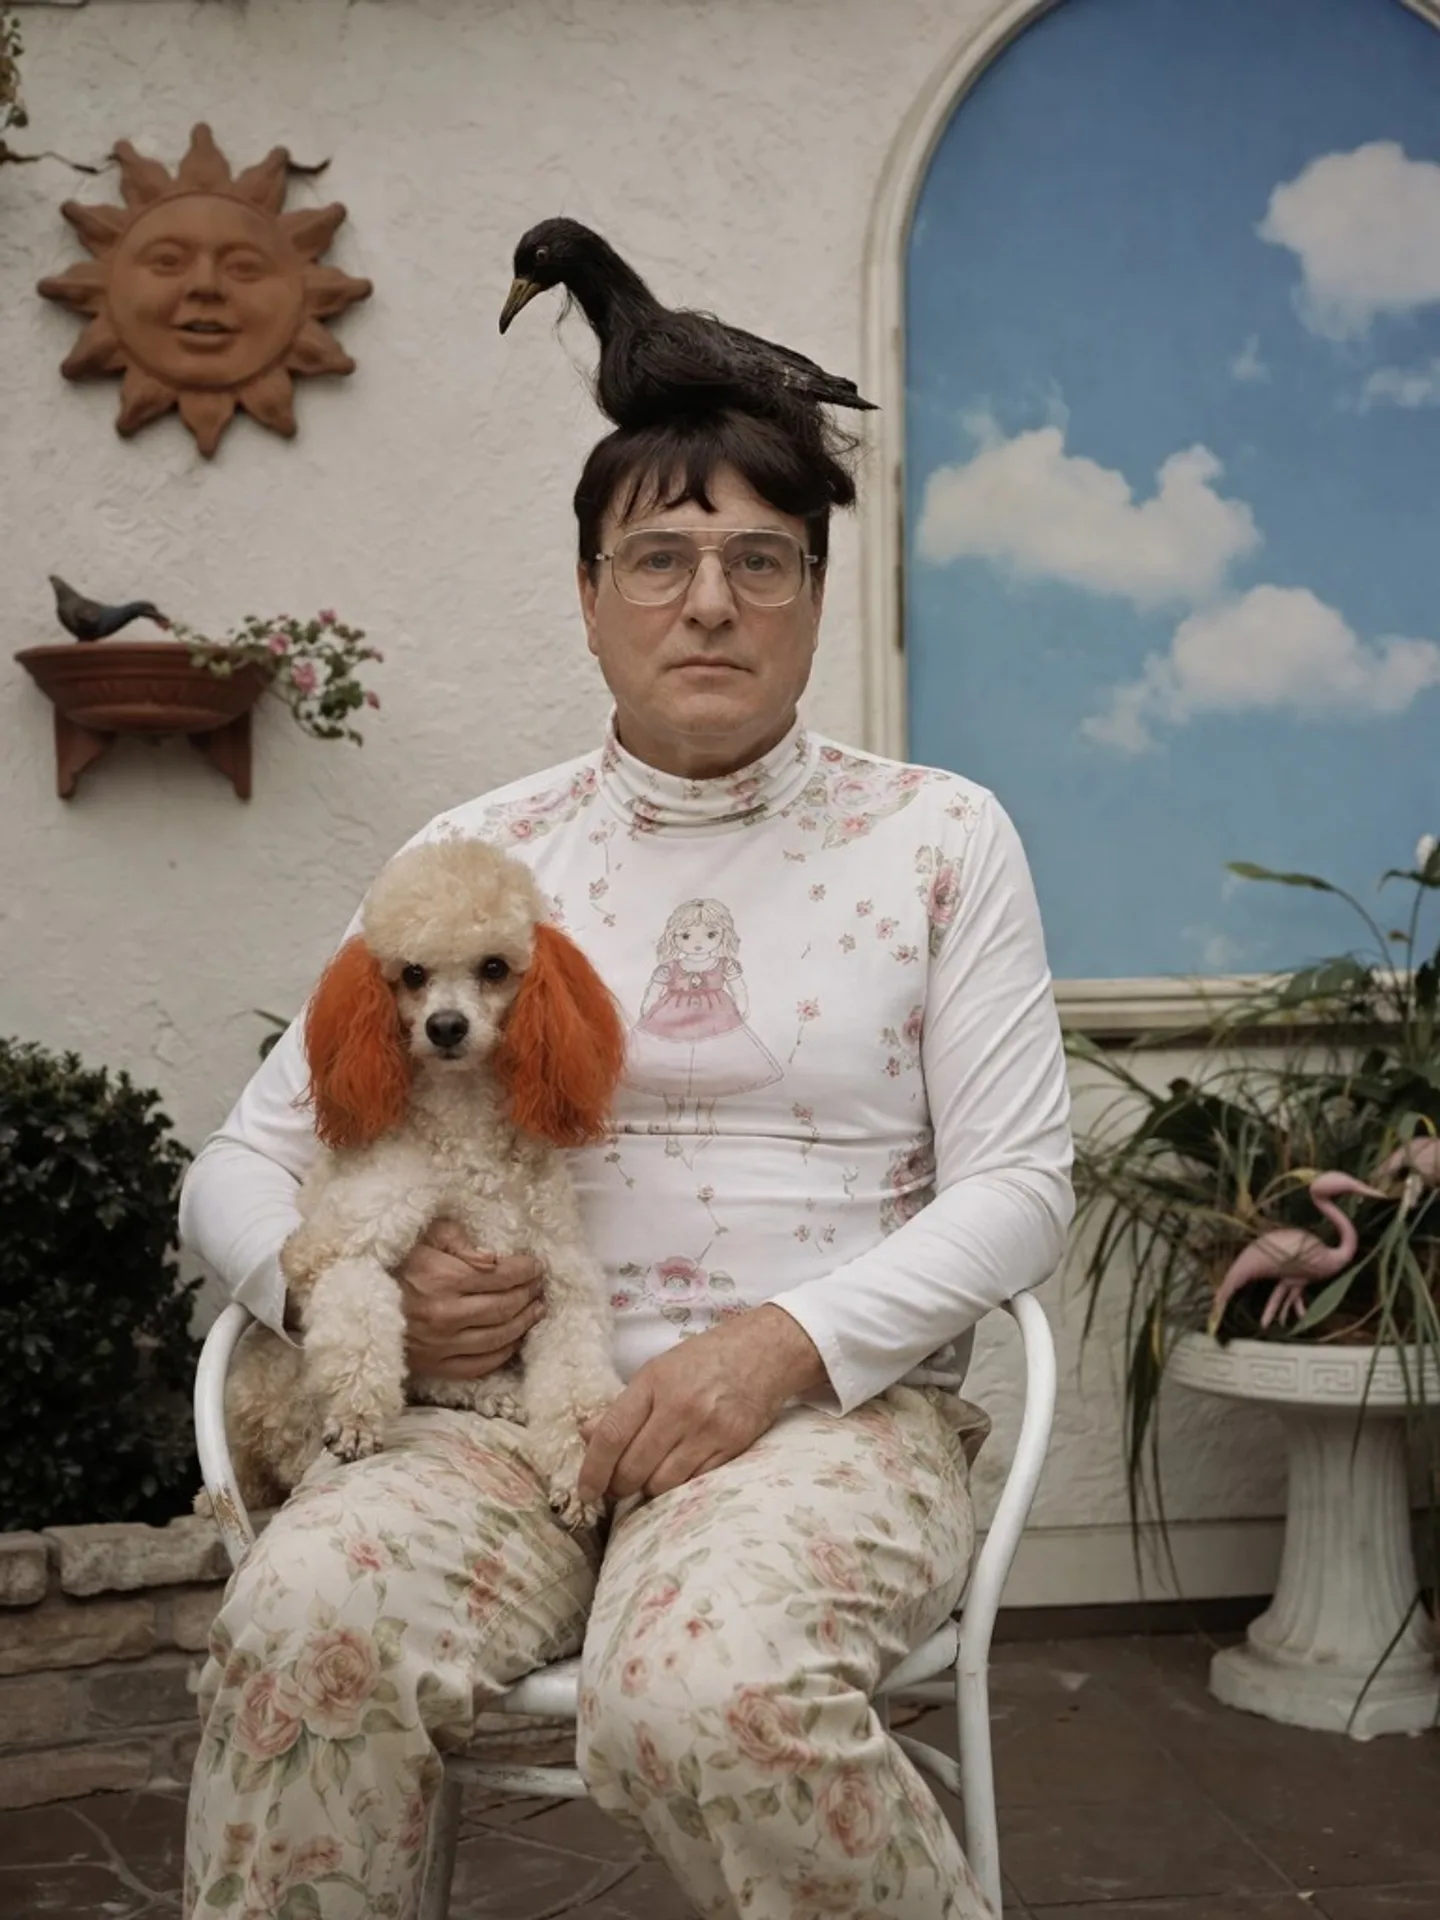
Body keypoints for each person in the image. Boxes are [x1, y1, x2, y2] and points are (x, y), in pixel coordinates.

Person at [179, 401, 1074, 1920]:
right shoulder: (481, 848)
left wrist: (779, 1351)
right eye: (658, 558)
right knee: (300, 1620)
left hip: (812, 1429)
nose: (710, 601)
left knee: (708, 1692)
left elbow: (1023, 1188)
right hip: (487, 1427)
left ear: (815, 591)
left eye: (760, 561)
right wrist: (334, 1281)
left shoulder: (939, 839)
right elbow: (233, 1171)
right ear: (589, 597)